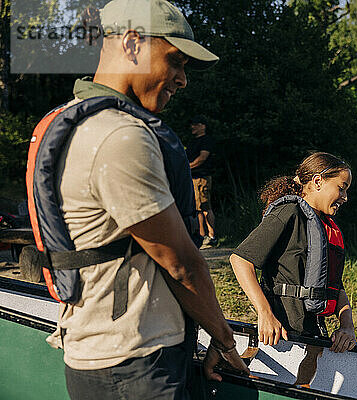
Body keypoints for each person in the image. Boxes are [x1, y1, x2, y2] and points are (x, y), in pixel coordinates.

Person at [28, 0, 249, 398]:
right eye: (176, 61)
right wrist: (224, 339)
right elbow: (181, 264)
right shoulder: (121, 135)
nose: (183, 79)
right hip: (136, 364)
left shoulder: (72, 119)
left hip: (95, 351)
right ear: (131, 43)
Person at [229, 152, 356, 386]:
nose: (345, 197)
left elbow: (334, 285)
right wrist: (265, 313)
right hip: (283, 336)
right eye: (341, 187)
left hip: (312, 337)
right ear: (318, 181)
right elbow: (240, 260)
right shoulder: (288, 213)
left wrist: (346, 325)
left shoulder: (325, 226)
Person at [187, 117, 217, 248]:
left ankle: (212, 236)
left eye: (196, 124)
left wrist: (186, 167)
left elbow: (202, 158)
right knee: (197, 208)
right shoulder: (193, 142)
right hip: (193, 178)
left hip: (202, 178)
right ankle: (202, 236)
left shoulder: (206, 140)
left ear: (203, 126)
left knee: (205, 207)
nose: (193, 127)